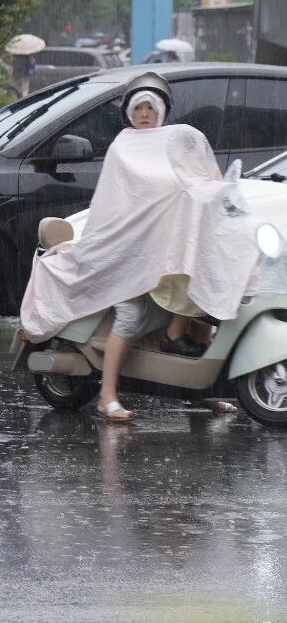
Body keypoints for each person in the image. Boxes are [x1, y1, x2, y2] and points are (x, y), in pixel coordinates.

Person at [94, 75, 233, 422]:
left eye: (150, 108)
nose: (144, 114)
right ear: (129, 112)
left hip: (166, 247)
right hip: (128, 249)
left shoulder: (172, 143)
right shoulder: (123, 148)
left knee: (202, 300)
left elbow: (191, 184)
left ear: (160, 113)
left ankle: (201, 390)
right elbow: (124, 201)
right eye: (138, 108)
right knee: (130, 317)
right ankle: (106, 395)